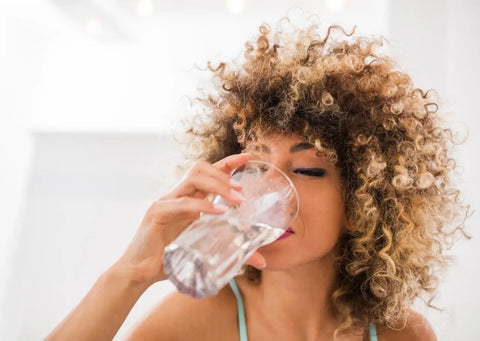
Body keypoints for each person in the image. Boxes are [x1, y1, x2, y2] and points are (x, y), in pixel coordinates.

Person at [46, 20, 469, 340]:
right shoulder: (194, 323)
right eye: (257, 165)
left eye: (306, 170)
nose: (268, 189)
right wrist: (130, 274)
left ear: (362, 207)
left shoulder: (402, 334)